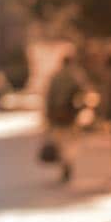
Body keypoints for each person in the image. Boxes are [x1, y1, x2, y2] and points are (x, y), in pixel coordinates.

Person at [45, 55, 83, 183]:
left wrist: (48, 115)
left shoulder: (55, 77)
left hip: (56, 114)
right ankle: (68, 163)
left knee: (60, 140)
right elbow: (82, 94)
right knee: (70, 141)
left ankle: (64, 164)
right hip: (70, 114)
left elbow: (49, 97)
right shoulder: (75, 77)